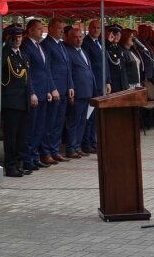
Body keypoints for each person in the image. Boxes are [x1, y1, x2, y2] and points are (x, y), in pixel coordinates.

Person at [0, 25, 37, 177]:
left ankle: (18, 163)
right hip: (11, 102)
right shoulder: (5, 54)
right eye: (14, 37)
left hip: (23, 101)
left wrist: (31, 94)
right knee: (11, 137)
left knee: (21, 136)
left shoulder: (23, 55)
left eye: (20, 37)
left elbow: (27, 78)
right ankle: (10, 165)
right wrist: (5, 44)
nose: (18, 40)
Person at [20, 19, 57, 171]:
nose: (42, 31)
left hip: (43, 92)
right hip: (34, 93)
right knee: (31, 127)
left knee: (40, 127)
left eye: (42, 29)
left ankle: (35, 156)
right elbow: (28, 73)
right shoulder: (26, 46)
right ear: (30, 31)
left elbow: (46, 71)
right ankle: (27, 158)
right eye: (38, 29)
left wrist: (49, 89)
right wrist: (32, 92)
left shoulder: (39, 46)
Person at [40, 18, 74, 165]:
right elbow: (47, 70)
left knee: (59, 123)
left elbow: (67, 68)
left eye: (62, 28)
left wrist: (70, 85)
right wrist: (52, 88)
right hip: (54, 91)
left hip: (64, 89)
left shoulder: (61, 45)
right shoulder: (46, 45)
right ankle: (46, 152)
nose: (62, 31)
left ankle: (55, 150)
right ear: (51, 28)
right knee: (50, 123)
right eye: (59, 28)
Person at [81, 20, 111, 155]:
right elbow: (88, 66)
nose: (96, 30)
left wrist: (108, 81)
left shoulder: (99, 43)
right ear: (89, 28)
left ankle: (93, 141)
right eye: (94, 28)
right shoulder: (86, 43)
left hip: (102, 84)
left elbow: (105, 64)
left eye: (99, 28)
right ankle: (87, 143)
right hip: (93, 85)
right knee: (89, 116)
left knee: (96, 116)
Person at [64, 27, 95, 158]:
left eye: (80, 37)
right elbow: (69, 72)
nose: (79, 39)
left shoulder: (82, 51)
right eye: (75, 37)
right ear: (69, 38)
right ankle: (71, 147)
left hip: (87, 91)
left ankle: (77, 146)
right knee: (74, 120)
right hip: (77, 92)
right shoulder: (68, 52)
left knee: (83, 120)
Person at [106, 26, 128, 92]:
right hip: (113, 81)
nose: (116, 37)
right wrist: (108, 42)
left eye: (118, 35)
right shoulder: (107, 47)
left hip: (122, 81)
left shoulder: (119, 47)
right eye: (114, 35)